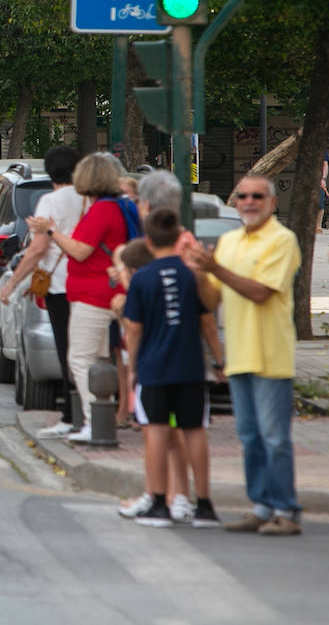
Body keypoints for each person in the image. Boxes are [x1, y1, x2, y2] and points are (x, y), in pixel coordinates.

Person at [183, 173, 303, 535]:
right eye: (243, 196)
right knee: (250, 437)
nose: (249, 202)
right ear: (235, 202)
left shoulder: (283, 240)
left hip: (270, 354)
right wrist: (201, 274)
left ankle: (286, 510)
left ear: (272, 203)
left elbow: (261, 292)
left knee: (275, 438)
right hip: (239, 355)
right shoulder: (229, 241)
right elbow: (211, 300)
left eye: (257, 196)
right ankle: (262, 506)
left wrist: (214, 267)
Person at [119, 211, 224, 528]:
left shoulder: (141, 278)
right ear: (178, 237)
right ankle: (203, 505)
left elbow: (134, 328)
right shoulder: (191, 274)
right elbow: (207, 321)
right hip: (190, 365)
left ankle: (160, 503)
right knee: (194, 431)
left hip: (154, 366)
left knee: (157, 432)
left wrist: (133, 366)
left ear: (149, 241)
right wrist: (219, 361)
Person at [26, 152, 136, 443]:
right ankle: (101, 419)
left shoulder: (101, 211)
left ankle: (92, 421)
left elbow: (80, 250)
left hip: (93, 294)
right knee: (99, 358)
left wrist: (50, 230)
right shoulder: (113, 207)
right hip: (103, 291)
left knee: (80, 358)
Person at [0, 146, 82, 430]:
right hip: (85, 283)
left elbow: (37, 249)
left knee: (66, 350)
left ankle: (72, 414)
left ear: (50, 172)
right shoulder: (88, 200)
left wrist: (11, 283)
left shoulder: (50, 202)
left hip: (59, 285)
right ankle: (93, 410)